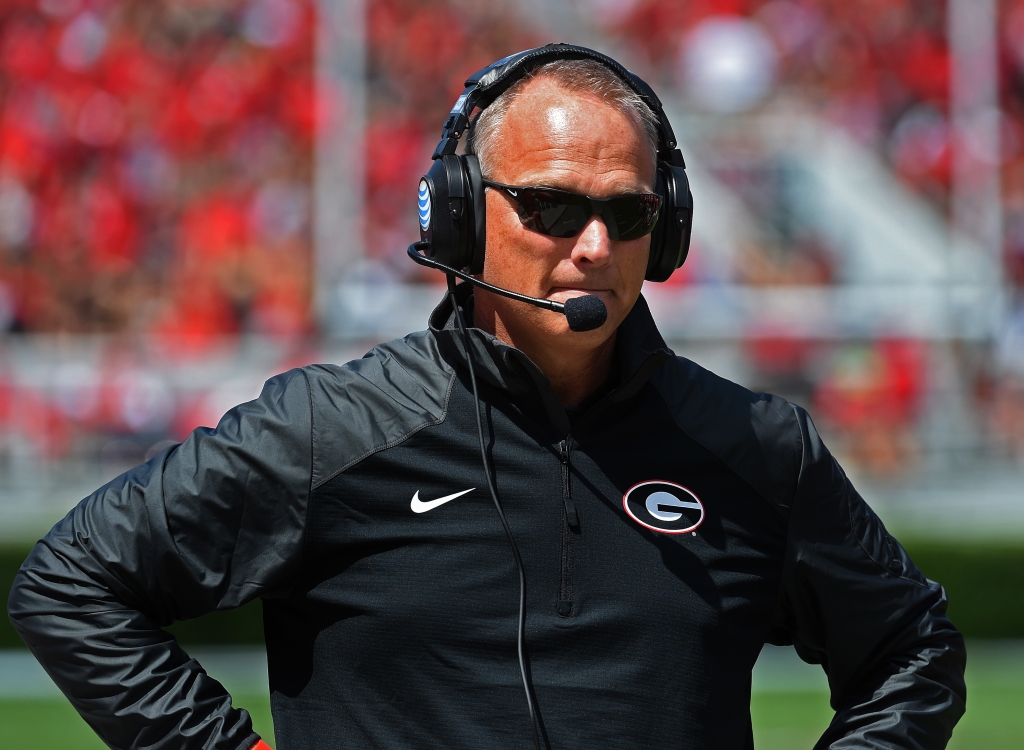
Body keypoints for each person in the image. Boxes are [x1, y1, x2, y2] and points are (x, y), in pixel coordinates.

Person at [8, 45, 965, 750]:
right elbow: (71, 583)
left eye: (626, 214)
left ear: (664, 233)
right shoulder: (330, 432)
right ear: (459, 216)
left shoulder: (753, 445)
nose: (592, 245)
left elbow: (914, 651)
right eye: (551, 207)